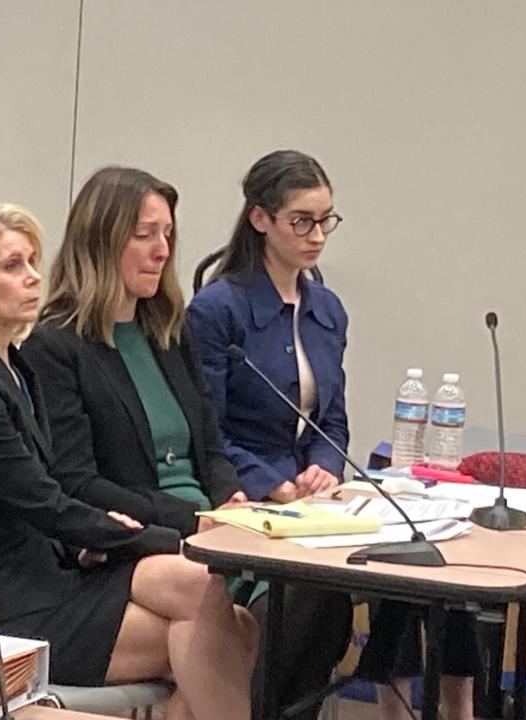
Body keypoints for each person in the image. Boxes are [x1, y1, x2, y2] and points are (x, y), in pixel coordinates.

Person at [21, 166, 350, 720]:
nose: (161, 250)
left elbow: (210, 442)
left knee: (314, 597)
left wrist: (229, 497)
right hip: (131, 539)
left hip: (214, 525)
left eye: (167, 234)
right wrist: (194, 521)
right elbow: (78, 481)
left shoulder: (168, 331)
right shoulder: (57, 344)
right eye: (144, 234)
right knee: (232, 619)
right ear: (101, 240)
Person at [0, 202, 257, 720]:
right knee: (220, 634)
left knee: (210, 599)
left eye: (32, 262)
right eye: (12, 266)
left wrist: (90, 541)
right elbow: (41, 499)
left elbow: (47, 495)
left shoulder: (15, 364)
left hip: (52, 573)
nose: (33, 278)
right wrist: (166, 538)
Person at [185, 150, 477, 720]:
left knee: (429, 564)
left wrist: (325, 465)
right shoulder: (217, 309)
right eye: (302, 220)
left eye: (327, 220)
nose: (317, 235)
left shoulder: (329, 309)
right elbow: (208, 430)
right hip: (254, 500)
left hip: (319, 499)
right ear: (260, 219)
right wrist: (273, 482)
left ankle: (431, 707)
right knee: (315, 596)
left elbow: (333, 419)